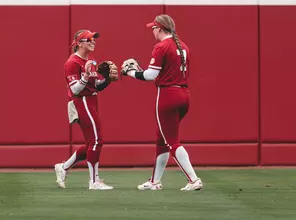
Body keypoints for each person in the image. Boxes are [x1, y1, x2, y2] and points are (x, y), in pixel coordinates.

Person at [122, 14, 203, 191]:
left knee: (172, 141)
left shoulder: (161, 46)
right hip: (184, 94)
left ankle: (193, 179)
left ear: (159, 28)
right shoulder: (183, 46)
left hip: (168, 95)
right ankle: (154, 181)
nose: (152, 31)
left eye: (153, 28)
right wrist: (140, 70)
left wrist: (130, 73)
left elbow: (151, 75)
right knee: (162, 140)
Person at [54, 30, 115, 191]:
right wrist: (86, 76)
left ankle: (64, 167)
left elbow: (96, 86)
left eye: (94, 38)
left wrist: (108, 79)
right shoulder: (72, 63)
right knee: (96, 141)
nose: (93, 41)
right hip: (82, 101)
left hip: (92, 100)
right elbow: (75, 89)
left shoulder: (91, 60)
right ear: (79, 43)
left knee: (91, 142)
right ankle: (94, 182)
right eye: (88, 39)